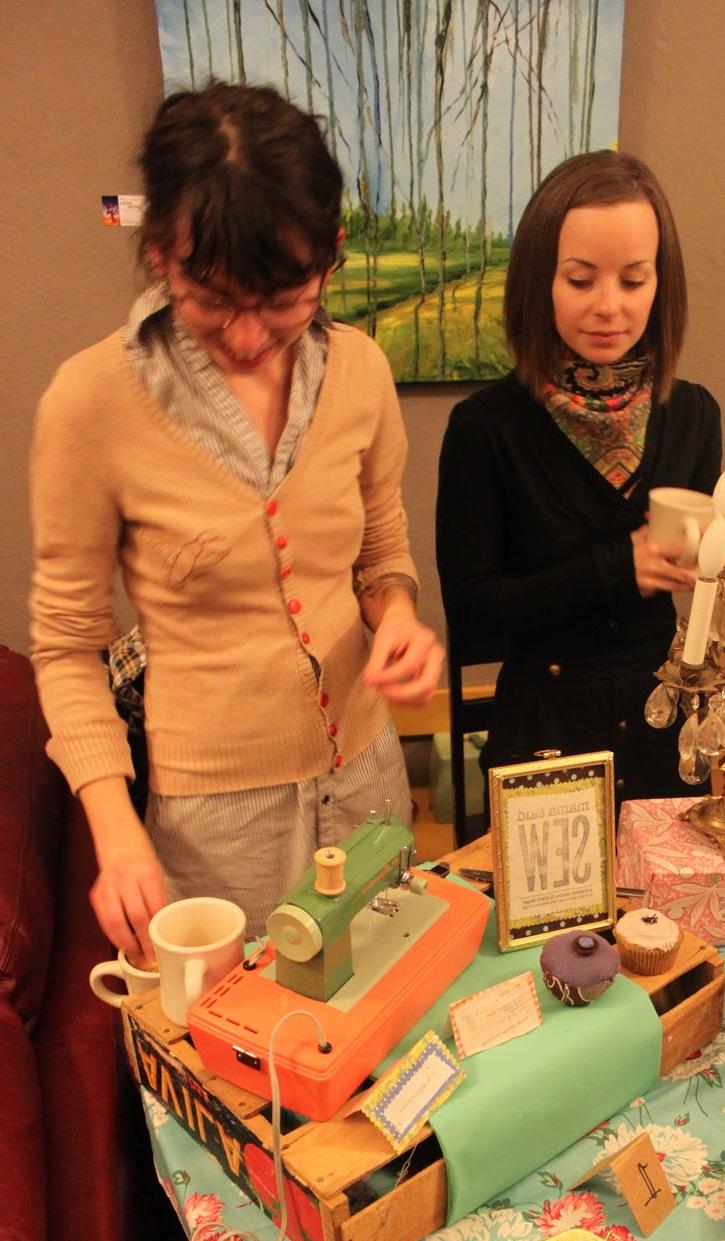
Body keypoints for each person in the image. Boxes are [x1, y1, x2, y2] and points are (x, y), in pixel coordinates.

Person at [29, 82, 443, 952]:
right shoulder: (89, 402)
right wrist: (115, 828)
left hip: (368, 781)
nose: (250, 336)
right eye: (212, 300)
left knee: (382, 1024)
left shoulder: (361, 373)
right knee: (241, 1061)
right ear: (158, 256)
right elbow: (68, 644)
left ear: (329, 253)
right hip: (216, 828)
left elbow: (380, 549)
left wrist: (398, 616)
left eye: (283, 300)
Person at [435, 150, 722, 806]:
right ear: (541, 280)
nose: (607, 307)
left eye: (632, 280)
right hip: (545, 732)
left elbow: (694, 581)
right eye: (580, 279)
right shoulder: (486, 427)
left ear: (661, 284)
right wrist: (614, 570)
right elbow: (474, 608)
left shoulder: (693, 416)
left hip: (664, 726)